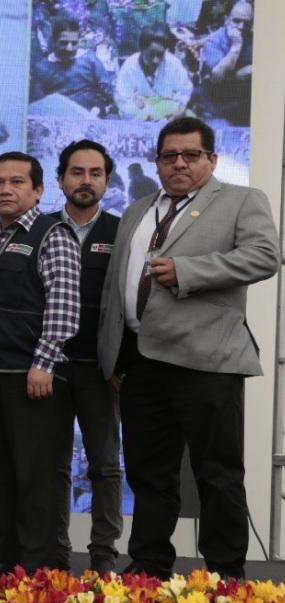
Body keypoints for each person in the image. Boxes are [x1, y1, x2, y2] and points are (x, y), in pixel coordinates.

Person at [98, 117, 278, 579]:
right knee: (148, 473)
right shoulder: (138, 210)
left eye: (191, 155)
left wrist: (188, 271)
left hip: (207, 362)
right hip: (140, 363)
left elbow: (264, 256)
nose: (179, 163)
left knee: (217, 475)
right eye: (169, 156)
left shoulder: (241, 200)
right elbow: (116, 287)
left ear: (212, 160)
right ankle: (149, 566)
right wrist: (115, 355)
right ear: (156, 162)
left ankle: (225, 574)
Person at [0, 152, 80, 573]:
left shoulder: (53, 234)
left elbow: (65, 304)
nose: (5, 190)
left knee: (37, 478)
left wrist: (45, 362)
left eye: (17, 182)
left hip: (34, 377)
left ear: (38, 190)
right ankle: (6, 557)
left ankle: (40, 570)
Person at [48, 140, 123, 575]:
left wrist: (122, 363)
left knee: (106, 463)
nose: (86, 181)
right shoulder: (40, 230)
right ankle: (56, 553)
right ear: (61, 179)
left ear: (106, 181)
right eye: (77, 172)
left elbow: (134, 302)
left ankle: (104, 554)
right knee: (53, 464)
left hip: (101, 370)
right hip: (51, 368)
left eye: (95, 173)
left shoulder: (122, 231)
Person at [29, 17, 114, 115]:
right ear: (53, 41)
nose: (69, 48)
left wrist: (102, 108)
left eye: (74, 43)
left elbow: (109, 93)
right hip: (57, 120)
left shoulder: (90, 60)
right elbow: (38, 105)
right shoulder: (42, 68)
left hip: (91, 117)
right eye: (64, 43)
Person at [114, 25, 193, 121]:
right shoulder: (129, 67)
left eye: (160, 55)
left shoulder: (173, 63)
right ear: (142, 50)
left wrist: (179, 111)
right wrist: (146, 111)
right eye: (151, 54)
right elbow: (123, 101)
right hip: (140, 116)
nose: (156, 60)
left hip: (168, 113)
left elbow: (184, 92)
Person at [199, 0, 253, 125]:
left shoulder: (253, 39)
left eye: (247, 23)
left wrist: (231, 76)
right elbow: (217, 77)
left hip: (244, 104)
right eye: (236, 21)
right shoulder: (214, 41)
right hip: (217, 104)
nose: (241, 27)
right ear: (226, 19)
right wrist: (236, 46)